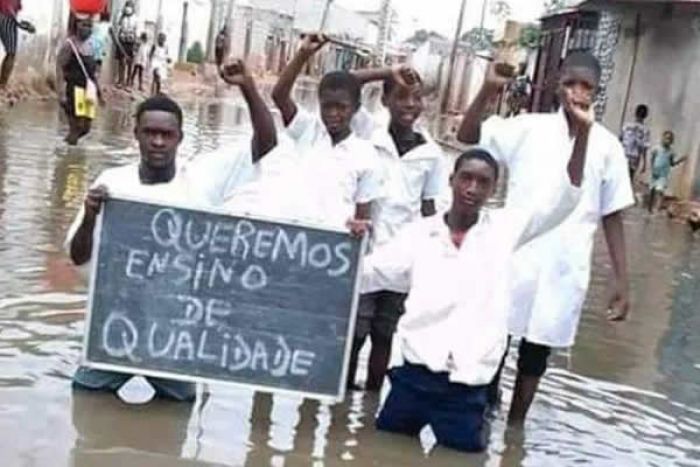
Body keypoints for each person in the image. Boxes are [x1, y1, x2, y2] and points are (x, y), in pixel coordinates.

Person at [353, 122, 589, 451]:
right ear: (451, 181)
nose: (472, 188)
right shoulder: (419, 234)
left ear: (493, 191)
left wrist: (584, 133)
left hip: (466, 387)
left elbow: (563, 201)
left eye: (483, 182)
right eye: (466, 178)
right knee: (380, 455)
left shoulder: (504, 231)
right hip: (413, 378)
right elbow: (367, 274)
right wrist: (346, 241)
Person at [66, 62, 278, 401]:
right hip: (115, 325)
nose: (158, 142)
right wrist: (91, 216)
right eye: (150, 133)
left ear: (180, 138)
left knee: (179, 406)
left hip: (173, 332)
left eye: (167, 134)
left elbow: (266, 143)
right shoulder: (111, 184)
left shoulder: (203, 179)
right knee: (84, 397)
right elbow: (78, 257)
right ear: (136, 134)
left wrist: (249, 86)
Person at [457, 51, 634, 425]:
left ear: (597, 93)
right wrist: (488, 89)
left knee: (536, 355)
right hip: (516, 257)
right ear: (558, 85)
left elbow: (613, 214)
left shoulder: (608, 147)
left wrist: (622, 281)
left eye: (586, 86)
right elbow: (467, 136)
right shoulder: (527, 128)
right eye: (571, 83)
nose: (577, 93)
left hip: (564, 266)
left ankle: (515, 431)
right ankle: (482, 415)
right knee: (495, 340)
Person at [343, 65, 446, 391]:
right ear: (385, 99)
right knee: (355, 331)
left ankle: (372, 395)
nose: (409, 105)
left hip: (404, 259)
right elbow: (347, 82)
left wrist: (434, 258)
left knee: (385, 334)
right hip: (365, 251)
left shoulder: (431, 154)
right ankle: (342, 391)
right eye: (401, 96)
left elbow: (430, 209)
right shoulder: (367, 135)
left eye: (416, 98)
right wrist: (389, 71)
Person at [271, 33, 381, 229]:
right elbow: (279, 96)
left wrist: (359, 228)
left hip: (330, 246)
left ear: (355, 108)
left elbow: (363, 217)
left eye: (341, 107)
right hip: (291, 237)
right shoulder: (307, 129)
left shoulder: (366, 155)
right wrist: (303, 54)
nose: (333, 114)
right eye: (327, 106)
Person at [56, 14, 103, 146]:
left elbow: (92, 74)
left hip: (88, 92)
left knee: (86, 128)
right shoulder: (69, 45)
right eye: (84, 25)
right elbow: (59, 67)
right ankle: (67, 161)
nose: (87, 28)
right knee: (76, 127)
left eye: (89, 26)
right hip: (73, 91)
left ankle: (65, 147)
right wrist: (61, 93)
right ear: (77, 25)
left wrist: (100, 94)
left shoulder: (92, 47)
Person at [648, 130, 686, 214]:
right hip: (655, 174)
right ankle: (649, 209)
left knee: (660, 191)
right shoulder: (656, 148)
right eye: (666, 138)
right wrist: (652, 170)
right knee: (652, 192)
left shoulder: (671, 152)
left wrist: (680, 160)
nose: (667, 140)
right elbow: (652, 159)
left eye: (669, 139)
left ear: (672, 141)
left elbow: (672, 163)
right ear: (662, 138)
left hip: (663, 175)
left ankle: (657, 210)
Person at [0, 0, 35, 89]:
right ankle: (2, 84)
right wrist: (20, 23)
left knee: (11, 53)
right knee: (11, 53)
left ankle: (2, 83)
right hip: (6, 18)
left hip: (8, 18)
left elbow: (16, 8)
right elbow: (8, 9)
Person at [620, 104, 651, 185]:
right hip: (634, 156)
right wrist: (644, 162)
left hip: (625, 153)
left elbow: (620, 139)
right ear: (646, 116)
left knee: (621, 175)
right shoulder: (645, 130)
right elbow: (644, 147)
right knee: (628, 177)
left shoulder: (627, 126)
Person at [113, 0, 137, 88]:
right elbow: (118, 27)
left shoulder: (135, 18)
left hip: (131, 41)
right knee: (121, 61)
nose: (128, 8)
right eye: (127, 6)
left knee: (129, 62)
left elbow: (136, 31)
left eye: (130, 6)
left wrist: (135, 45)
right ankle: (120, 80)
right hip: (122, 40)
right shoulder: (121, 16)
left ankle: (128, 81)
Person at [89, 9, 111, 81]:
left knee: (93, 62)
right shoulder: (108, 26)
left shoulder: (95, 25)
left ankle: (92, 76)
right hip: (100, 47)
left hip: (93, 46)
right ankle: (96, 77)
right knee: (98, 63)